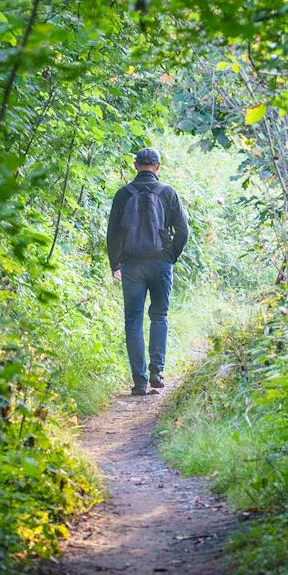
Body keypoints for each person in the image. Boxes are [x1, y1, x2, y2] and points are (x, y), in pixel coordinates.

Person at [106, 146, 190, 395]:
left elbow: (113, 233)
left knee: (133, 321)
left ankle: (140, 382)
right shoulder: (168, 193)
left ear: (135, 166)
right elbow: (183, 230)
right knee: (159, 316)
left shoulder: (123, 194)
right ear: (158, 167)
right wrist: (171, 255)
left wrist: (115, 263)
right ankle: (156, 372)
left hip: (132, 265)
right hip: (161, 262)